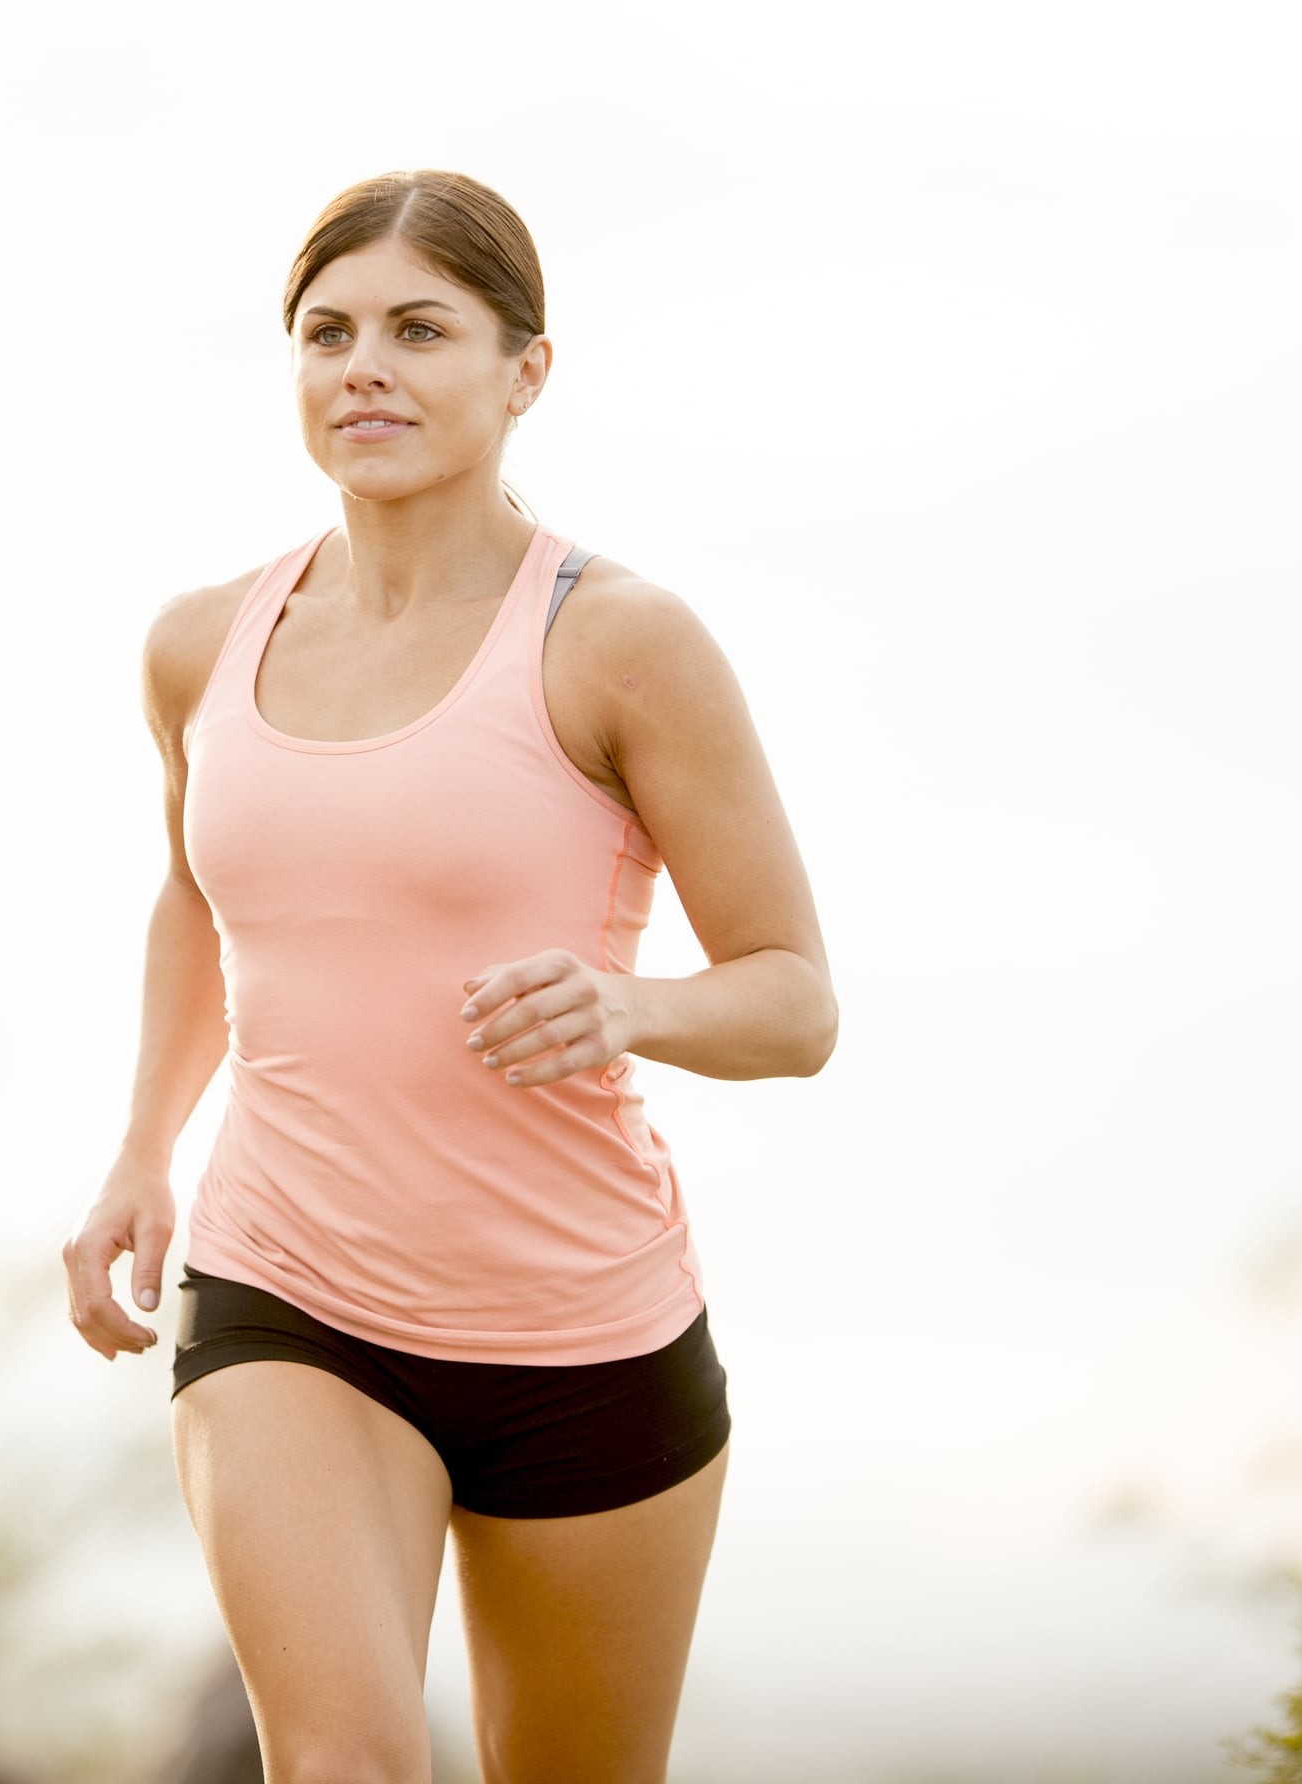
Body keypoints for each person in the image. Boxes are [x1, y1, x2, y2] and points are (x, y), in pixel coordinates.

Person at [61, 169, 838, 1784]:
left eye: (421, 331)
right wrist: (142, 1151)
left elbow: (793, 998)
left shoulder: (621, 641)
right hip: (288, 1290)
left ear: (524, 370)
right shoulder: (201, 645)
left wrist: (633, 1006)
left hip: (585, 1333)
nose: (366, 368)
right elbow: (197, 899)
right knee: (339, 1766)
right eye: (328, 333)